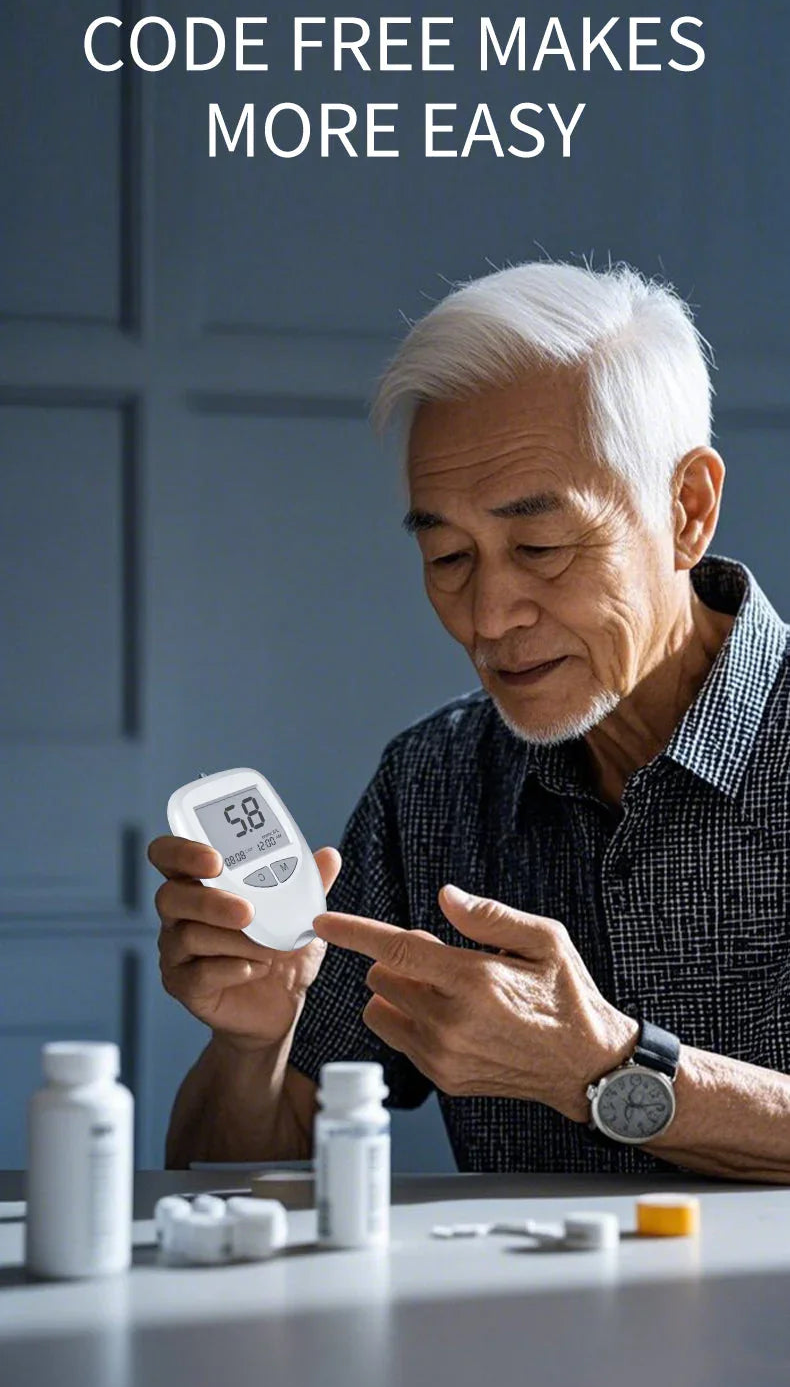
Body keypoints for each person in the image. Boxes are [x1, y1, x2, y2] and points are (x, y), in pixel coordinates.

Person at [149, 260, 790, 1180]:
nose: (488, 618)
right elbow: (239, 1169)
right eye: (449, 556)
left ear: (686, 511)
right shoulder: (432, 782)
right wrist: (255, 1043)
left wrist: (606, 1069)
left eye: (539, 545)